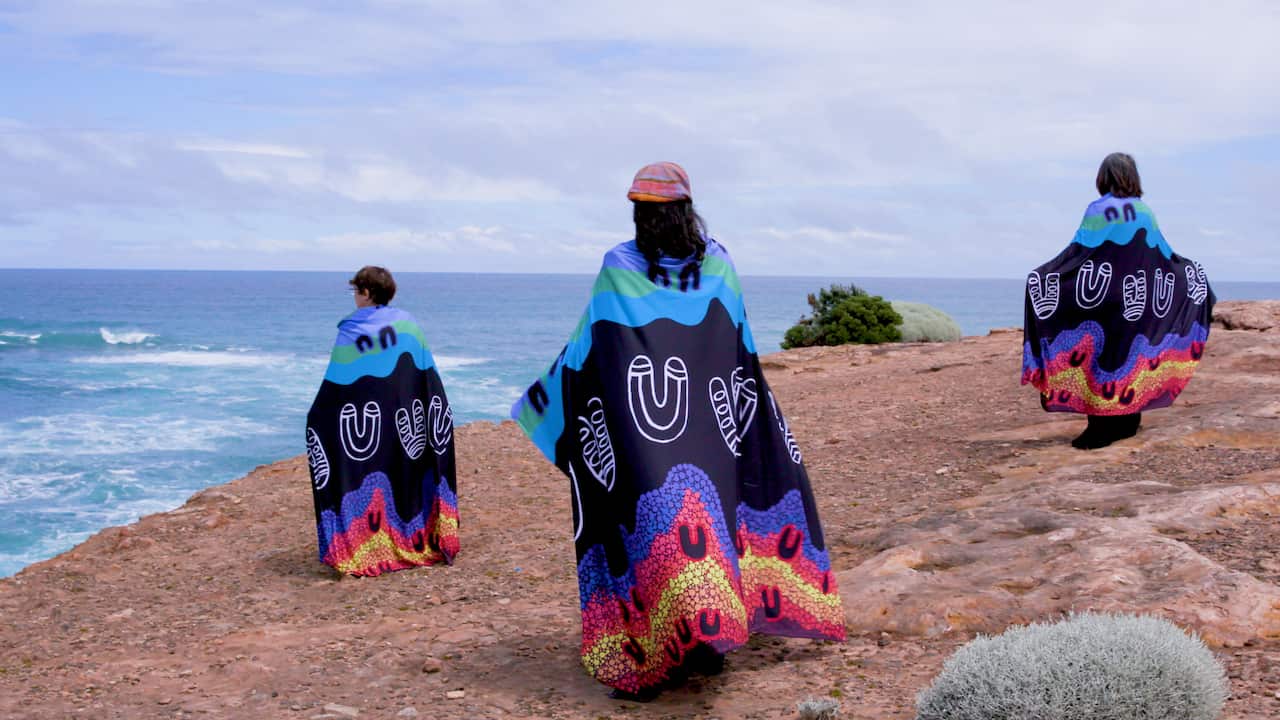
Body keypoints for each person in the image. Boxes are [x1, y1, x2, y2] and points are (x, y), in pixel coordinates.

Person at [511, 162, 845, 700]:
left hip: (641, 431)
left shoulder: (622, 264)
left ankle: (664, 656)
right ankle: (699, 646)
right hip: (712, 428)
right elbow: (740, 351)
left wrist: (544, 400)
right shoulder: (719, 263)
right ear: (687, 210)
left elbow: (587, 351)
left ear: (641, 214)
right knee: (705, 531)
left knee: (650, 530)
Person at [1022, 153, 1215, 449]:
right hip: (1135, 296)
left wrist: (1044, 275)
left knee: (1100, 358)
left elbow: (1079, 252)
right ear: (1132, 177)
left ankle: (1100, 430)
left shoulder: (1099, 209)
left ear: (1104, 178)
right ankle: (1128, 422)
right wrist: (1192, 274)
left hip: (1101, 297)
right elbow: (1162, 254)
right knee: (1128, 358)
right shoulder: (1144, 212)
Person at [304, 266, 459, 575]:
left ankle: (368, 544)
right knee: (401, 476)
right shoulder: (408, 325)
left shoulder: (352, 329)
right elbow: (424, 375)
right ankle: (412, 538)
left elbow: (340, 382)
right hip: (406, 420)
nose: (355, 297)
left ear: (367, 293)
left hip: (366, 426)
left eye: (356, 291)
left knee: (371, 476)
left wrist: (318, 416)